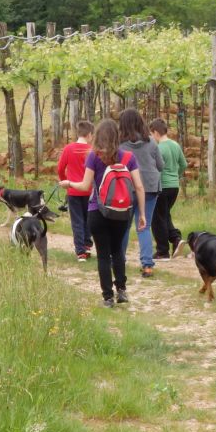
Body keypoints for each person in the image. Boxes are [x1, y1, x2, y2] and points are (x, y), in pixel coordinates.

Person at [60, 119, 147, 308]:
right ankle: (122, 290)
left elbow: (84, 185)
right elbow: (139, 187)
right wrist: (142, 214)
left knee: (102, 255)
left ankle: (108, 297)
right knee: (118, 251)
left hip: (97, 212)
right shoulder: (128, 157)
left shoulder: (94, 156)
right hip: (122, 213)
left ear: (97, 136)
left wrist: (69, 184)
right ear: (117, 136)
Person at [118, 108, 163, 277]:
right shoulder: (151, 142)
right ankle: (147, 265)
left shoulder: (119, 144)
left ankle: (119, 260)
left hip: (126, 188)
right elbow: (161, 166)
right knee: (144, 226)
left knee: (123, 226)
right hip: (150, 187)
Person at [149, 118, 188, 260]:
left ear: (156, 132)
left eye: (152, 134)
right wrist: (175, 176)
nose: (152, 138)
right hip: (174, 187)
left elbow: (155, 168)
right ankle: (176, 239)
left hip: (162, 186)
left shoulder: (159, 148)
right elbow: (183, 164)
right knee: (164, 214)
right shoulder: (175, 145)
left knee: (157, 218)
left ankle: (162, 250)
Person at [57, 120, 94, 261]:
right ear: (89, 134)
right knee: (88, 219)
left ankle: (80, 252)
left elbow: (60, 168)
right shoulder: (92, 150)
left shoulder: (68, 149)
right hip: (89, 191)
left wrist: (64, 181)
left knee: (77, 221)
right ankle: (87, 244)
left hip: (73, 190)